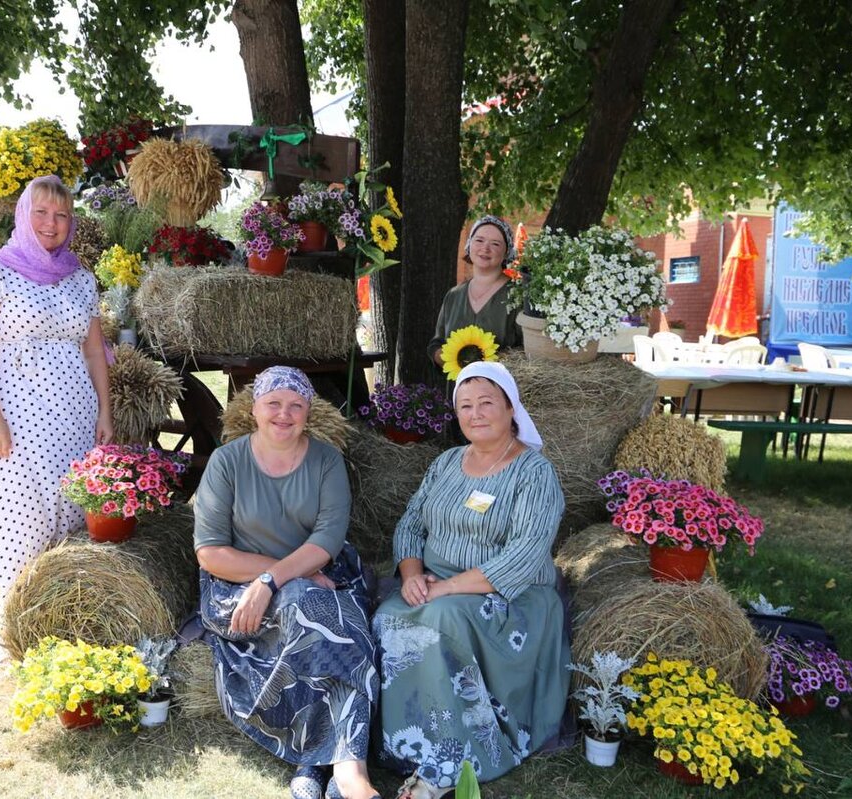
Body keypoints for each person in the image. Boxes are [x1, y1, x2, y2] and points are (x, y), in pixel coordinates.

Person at [374, 361, 570, 798]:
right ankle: (407, 744)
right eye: (466, 406)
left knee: (440, 620)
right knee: (388, 619)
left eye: (487, 403)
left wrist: (443, 588)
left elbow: (524, 555)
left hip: (509, 595)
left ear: (510, 409)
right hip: (434, 582)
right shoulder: (446, 462)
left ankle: (450, 761)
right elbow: (410, 524)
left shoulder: (534, 472)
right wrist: (410, 575)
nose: (476, 414)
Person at [193, 366, 381, 799]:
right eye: (273, 403)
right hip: (237, 585)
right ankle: (331, 765)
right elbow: (211, 552)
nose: (284, 413)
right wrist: (268, 580)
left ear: (307, 412)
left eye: (296, 405)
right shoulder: (227, 461)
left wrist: (274, 579)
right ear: (255, 409)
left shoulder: (326, 460)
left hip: (322, 574)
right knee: (308, 608)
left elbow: (329, 538)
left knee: (338, 623)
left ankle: (335, 767)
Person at [0, 175, 113, 610]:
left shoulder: (80, 278)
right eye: (42, 212)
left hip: (75, 410)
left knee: (71, 506)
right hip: (16, 409)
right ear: (23, 215)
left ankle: (61, 617)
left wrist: (105, 411)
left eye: (62, 214)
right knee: (22, 513)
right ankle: (17, 621)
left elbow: (95, 352)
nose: (52, 223)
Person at [427, 216, 521, 367]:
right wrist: (451, 358)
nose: (485, 248)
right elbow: (436, 344)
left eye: (495, 244)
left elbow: (528, 350)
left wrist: (488, 362)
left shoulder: (517, 296)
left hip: (499, 387)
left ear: (506, 252)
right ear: (469, 245)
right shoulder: (453, 296)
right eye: (479, 240)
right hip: (458, 387)